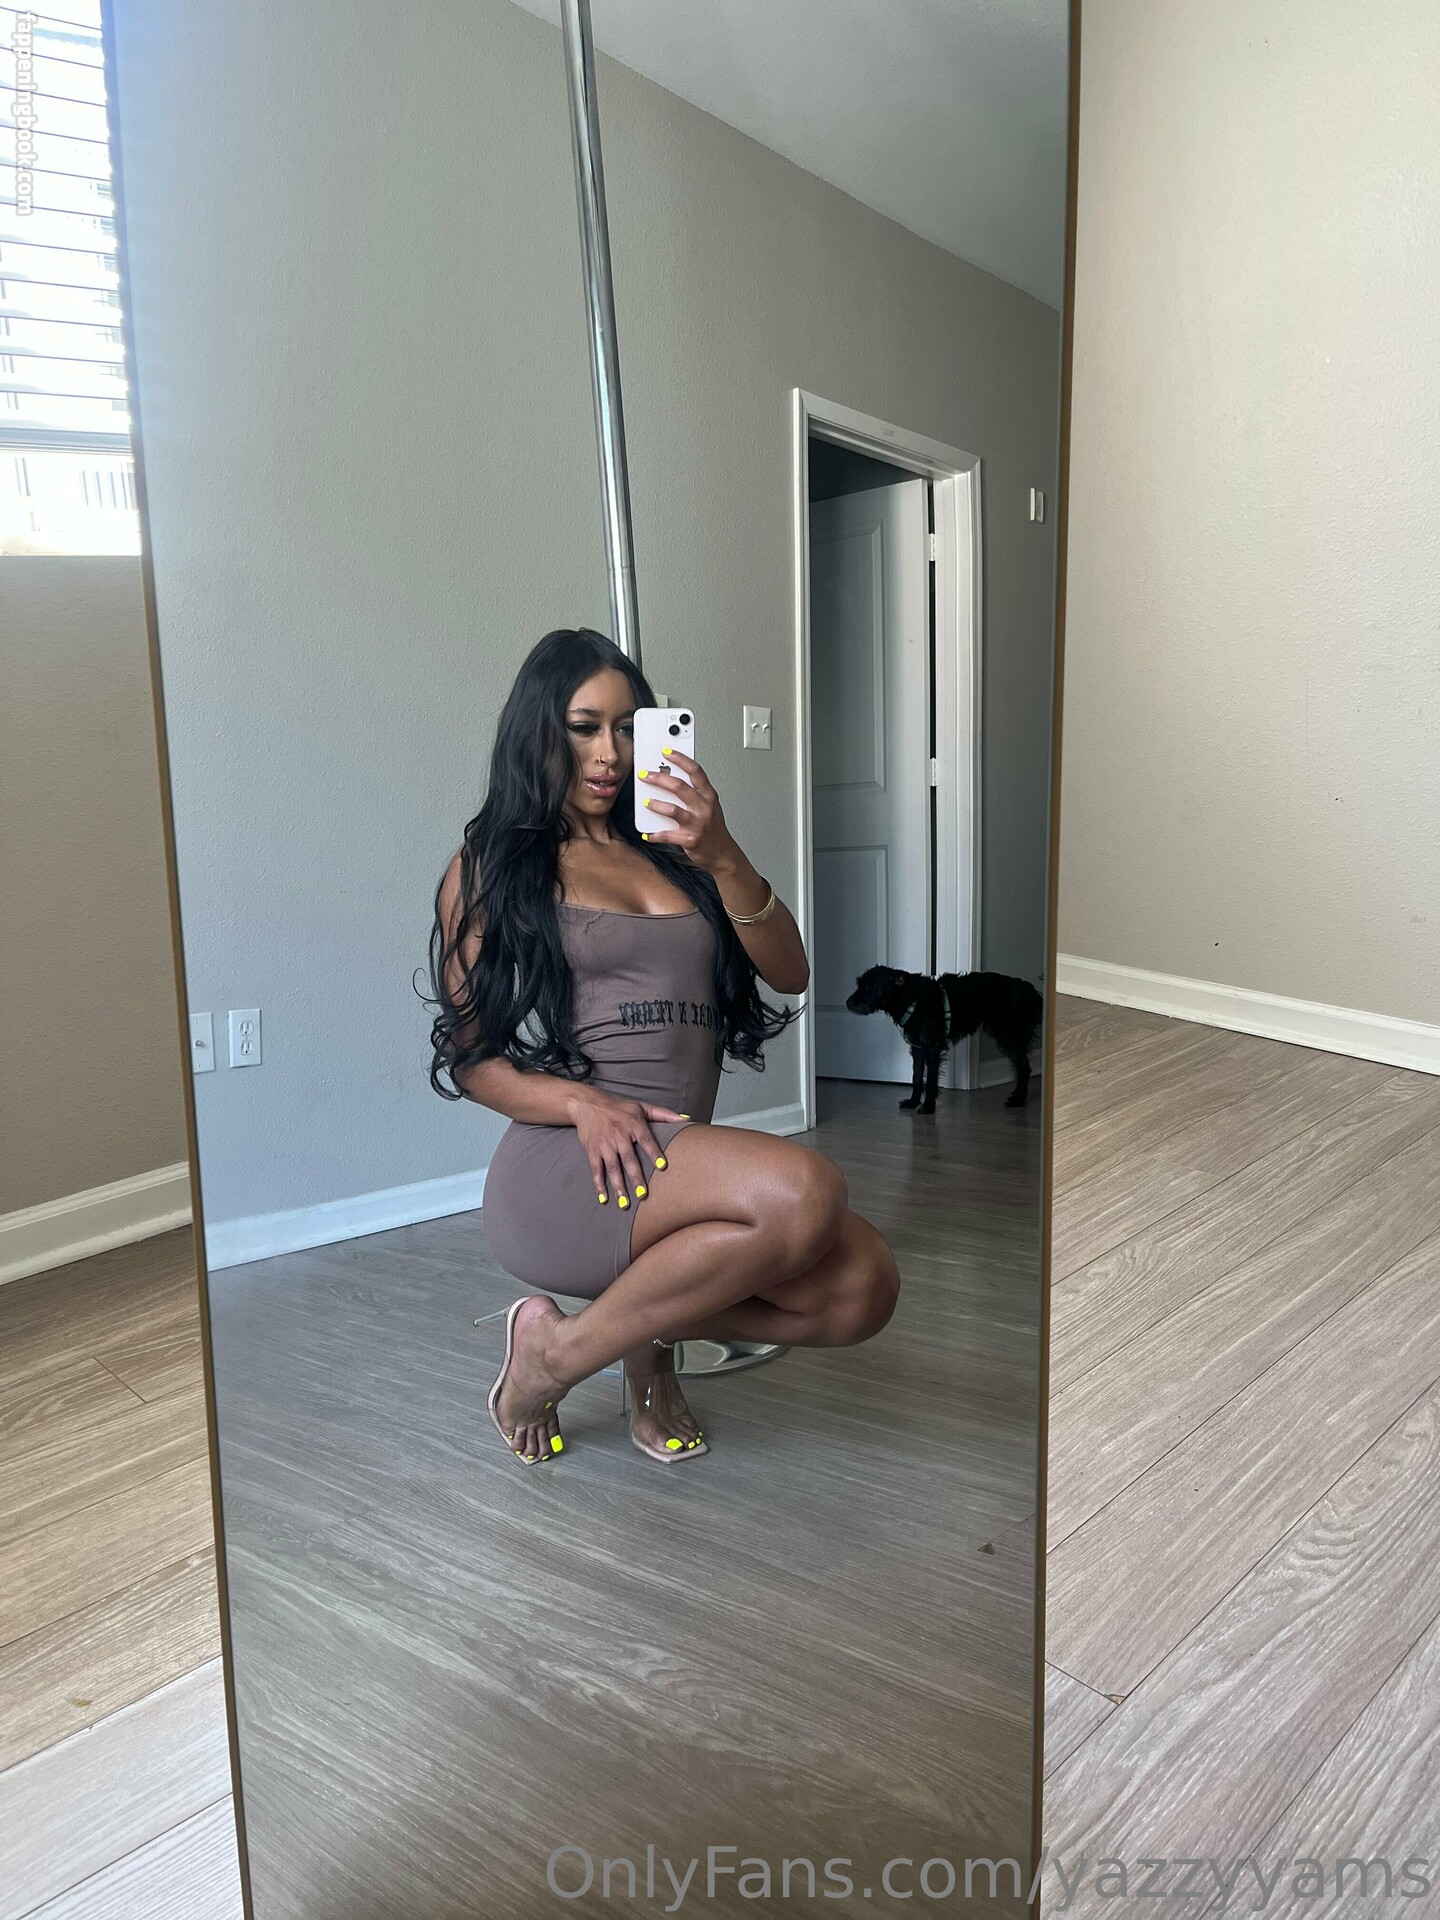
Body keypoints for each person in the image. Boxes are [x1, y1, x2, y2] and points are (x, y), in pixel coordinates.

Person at [425, 628, 899, 1467]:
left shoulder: (678, 854)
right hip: (571, 1164)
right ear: (538, 730)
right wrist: (583, 1102)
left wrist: (722, 854)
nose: (609, 754)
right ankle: (602, 1365)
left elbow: (790, 972)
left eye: (628, 727)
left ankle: (574, 1345)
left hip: (670, 1164)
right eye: (584, 727)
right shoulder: (491, 867)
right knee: (803, 1192)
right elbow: (473, 1061)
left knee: (864, 1288)